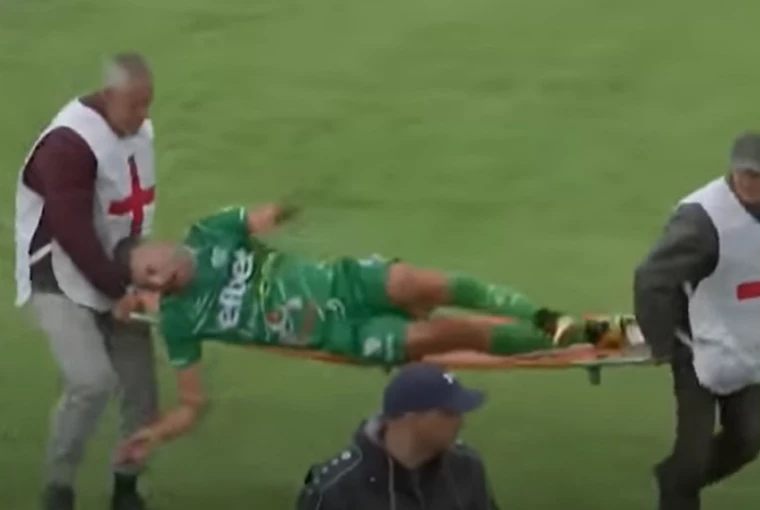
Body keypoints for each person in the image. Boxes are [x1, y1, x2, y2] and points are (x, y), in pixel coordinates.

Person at [113, 203, 631, 463]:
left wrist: (281, 210)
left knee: (420, 282)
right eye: (147, 282)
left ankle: (553, 321)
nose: (158, 280)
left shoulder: (211, 232)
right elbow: (192, 405)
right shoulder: (180, 320)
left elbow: (269, 213)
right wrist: (154, 434)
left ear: (159, 246)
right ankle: (593, 337)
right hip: (344, 333)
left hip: (345, 282)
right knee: (451, 334)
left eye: (151, 268)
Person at [14, 53, 158, 510]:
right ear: (110, 96)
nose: (143, 116)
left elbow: (133, 217)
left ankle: (126, 488)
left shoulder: (138, 132)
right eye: (135, 105)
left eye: (148, 104)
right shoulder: (68, 145)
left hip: (115, 273)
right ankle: (58, 489)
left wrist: (141, 280)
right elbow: (71, 229)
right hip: (57, 276)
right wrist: (119, 290)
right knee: (90, 381)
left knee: (142, 390)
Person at [634, 132, 760, 510]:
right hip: (698, 347)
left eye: (759, 175)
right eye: (744, 173)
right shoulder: (702, 220)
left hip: (751, 346)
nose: (749, 182)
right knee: (693, 455)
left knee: (748, 440)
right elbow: (653, 279)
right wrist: (664, 343)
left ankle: (673, 480)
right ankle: (678, 492)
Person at [295, 362, 500, 509]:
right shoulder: (336, 489)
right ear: (410, 418)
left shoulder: (467, 469)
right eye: (449, 413)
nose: (461, 422)